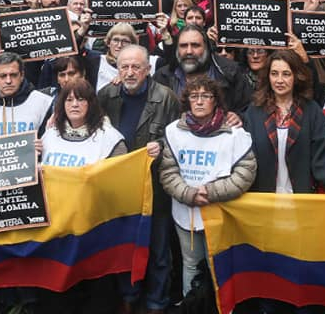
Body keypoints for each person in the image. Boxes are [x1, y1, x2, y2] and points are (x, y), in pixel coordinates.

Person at [97, 45, 179, 314]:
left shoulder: (166, 97)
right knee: (122, 247)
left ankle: (156, 303)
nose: (130, 72)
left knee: (158, 250)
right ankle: (128, 298)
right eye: (124, 67)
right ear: (117, 69)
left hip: (154, 188)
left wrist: (162, 146)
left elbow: (180, 138)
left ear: (148, 70)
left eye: (136, 67)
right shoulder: (105, 95)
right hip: (118, 190)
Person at [159, 76, 256, 296]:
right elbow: (168, 171)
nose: (200, 101)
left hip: (221, 211)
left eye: (206, 96)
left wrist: (212, 192)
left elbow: (245, 173)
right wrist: (188, 194)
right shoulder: (174, 131)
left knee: (219, 267)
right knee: (191, 264)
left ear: (215, 100)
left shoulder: (234, 133)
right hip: (186, 210)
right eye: (194, 96)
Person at [243, 49, 325, 194]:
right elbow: (244, 158)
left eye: (286, 74)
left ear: (297, 76)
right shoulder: (254, 112)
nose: (279, 80)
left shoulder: (311, 111)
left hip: (300, 199)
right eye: (274, 73)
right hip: (263, 200)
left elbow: (324, 154)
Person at [153, 25, 253, 114]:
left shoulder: (230, 72)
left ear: (206, 48)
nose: (189, 51)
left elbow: (248, 108)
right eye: (183, 46)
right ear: (177, 49)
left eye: (195, 45)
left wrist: (239, 117)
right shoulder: (162, 77)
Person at [40, 79, 127, 167]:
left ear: (90, 103)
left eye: (80, 99)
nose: (74, 104)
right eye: (69, 100)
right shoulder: (50, 135)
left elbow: (119, 176)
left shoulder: (110, 139)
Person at [0, 52, 53, 139]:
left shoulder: (43, 102)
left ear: (22, 75)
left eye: (13, 75)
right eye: (3, 76)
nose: (8, 81)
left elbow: (50, 141)